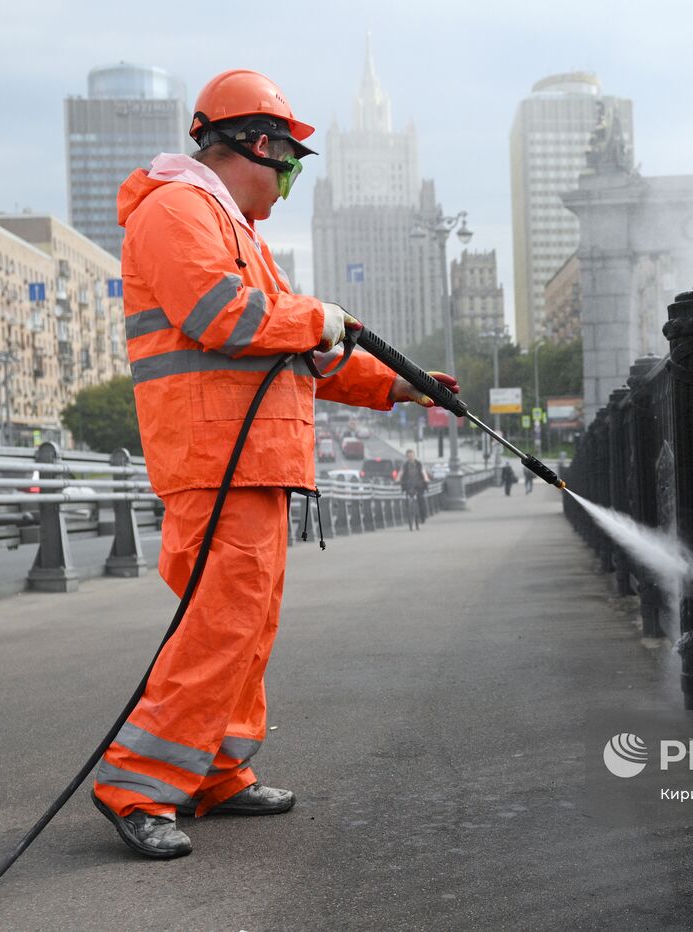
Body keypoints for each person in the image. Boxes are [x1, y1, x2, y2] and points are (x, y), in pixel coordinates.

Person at [91, 69, 459, 860]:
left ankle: (215, 771)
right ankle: (138, 785)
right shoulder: (176, 210)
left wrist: (395, 384)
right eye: (287, 163)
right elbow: (223, 315)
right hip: (214, 459)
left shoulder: (236, 231)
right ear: (253, 144)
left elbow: (307, 353)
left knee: (246, 628)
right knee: (218, 628)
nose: (289, 184)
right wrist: (317, 314)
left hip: (250, 461)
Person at [399, 448, 428, 529]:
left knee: (421, 499)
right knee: (406, 500)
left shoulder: (419, 464)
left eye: (411, 455)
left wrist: (425, 480)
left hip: (419, 485)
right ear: (406, 457)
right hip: (409, 485)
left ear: (414, 455)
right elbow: (400, 474)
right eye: (408, 456)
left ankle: (422, 517)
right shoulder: (405, 466)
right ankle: (409, 514)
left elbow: (424, 473)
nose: (410, 457)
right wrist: (398, 481)